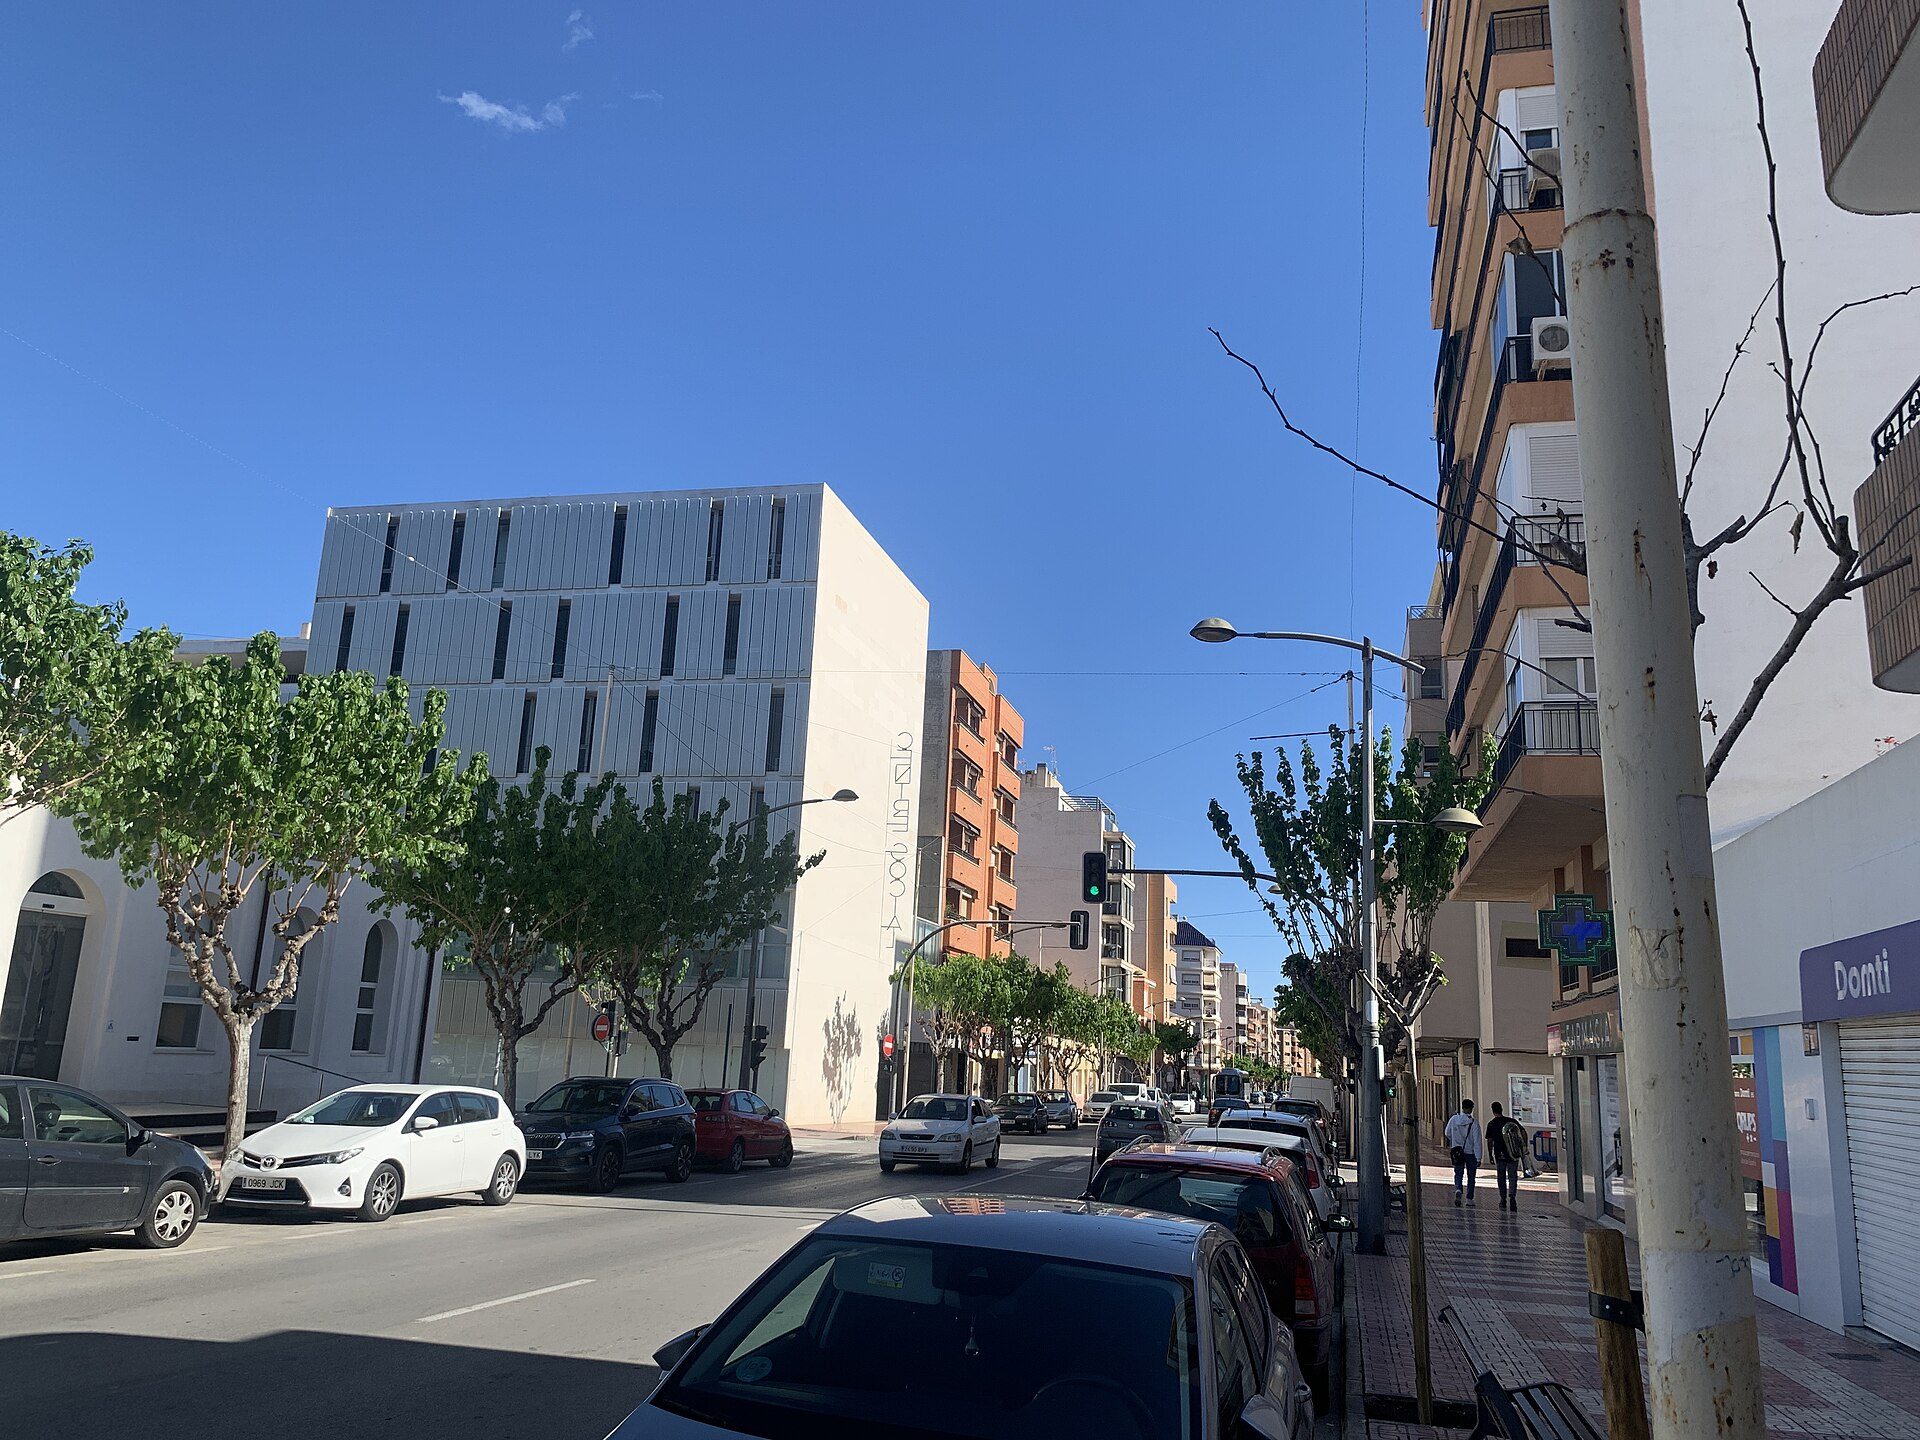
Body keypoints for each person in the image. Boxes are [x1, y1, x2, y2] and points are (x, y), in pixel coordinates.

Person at [1485, 1101, 1528, 1211]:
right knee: (1513, 1176)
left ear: (1493, 1111)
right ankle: (1512, 1197)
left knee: (1501, 1177)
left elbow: (1489, 1141)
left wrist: (1490, 1155)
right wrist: (1524, 1146)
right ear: (1502, 1109)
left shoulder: (1491, 1124)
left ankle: (1503, 1199)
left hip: (1499, 1154)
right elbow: (1523, 1132)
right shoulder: (1511, 1121)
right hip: (1513, 1154)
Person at [1444, 1098, 1482, 1206]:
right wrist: (1478, 1157)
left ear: (1462, 1107)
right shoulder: (1473, 1123)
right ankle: (1469, 1198)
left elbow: (1447, 1132)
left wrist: (1455, 1141)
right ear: (1471, 1109)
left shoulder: (1454, 1119)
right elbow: (1477, 1140)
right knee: (1471, 1176)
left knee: (1458, 1172)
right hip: (1470, 1153)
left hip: (1457, 1151)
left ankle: (1458, 1189)